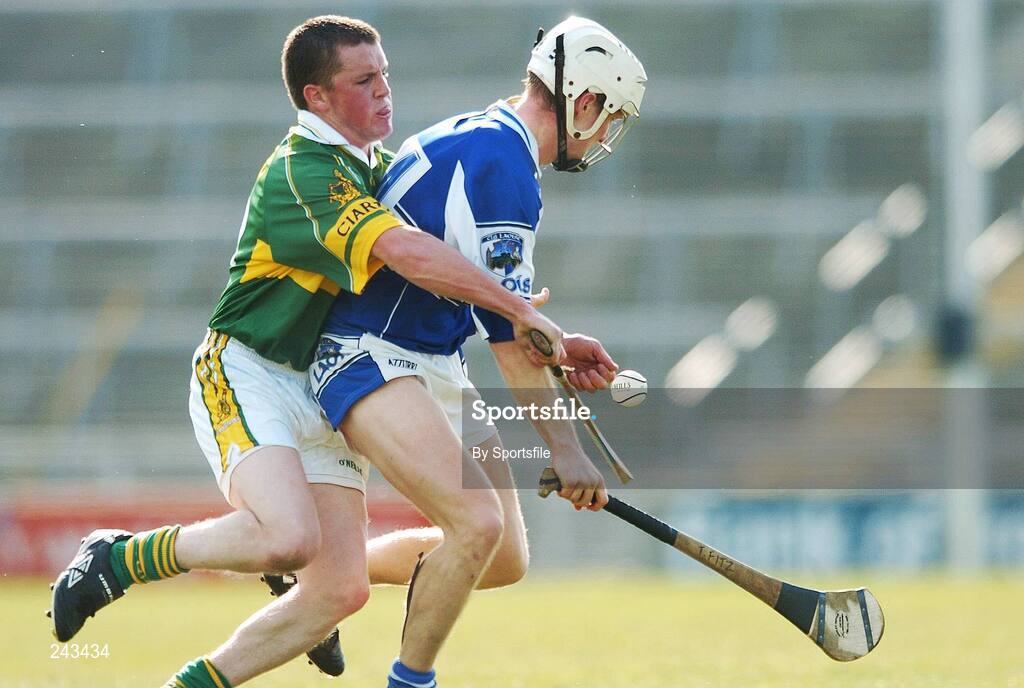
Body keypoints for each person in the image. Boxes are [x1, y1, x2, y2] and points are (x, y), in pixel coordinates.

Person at [47, 15, 566, 688]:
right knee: (287, 537)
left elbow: (446, 270)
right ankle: (117, 558)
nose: (385, 92)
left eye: (386, 75)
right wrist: (514, 308)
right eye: (363, 80)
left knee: (338, 592)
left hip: (324, 385)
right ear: (317, 98)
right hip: (249, 370)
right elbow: (405, 253)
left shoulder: (378, 166)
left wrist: (530, 321)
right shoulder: (305, 170)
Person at [310, 16, 647, 688]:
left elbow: (501, 309)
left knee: (504, 557)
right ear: (582, 101)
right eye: (609, 116)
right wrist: (564, 448)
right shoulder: (504, 168)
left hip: (433, 357)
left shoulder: (489, 140)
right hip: (377, 354)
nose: (606, 133)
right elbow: (509, 338)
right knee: (476, 526)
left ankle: (315, 570)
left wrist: (557, 346)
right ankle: (410, 679)